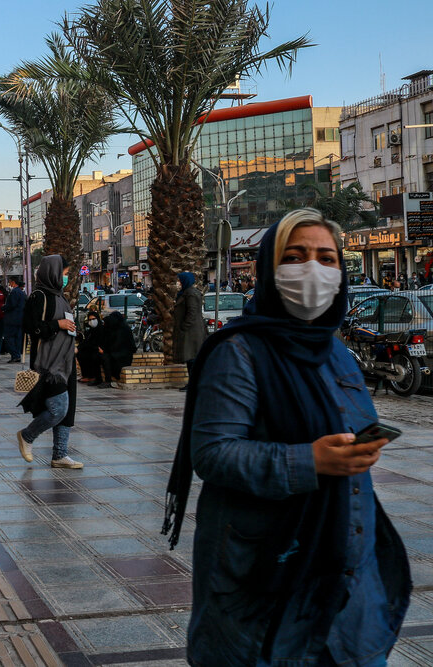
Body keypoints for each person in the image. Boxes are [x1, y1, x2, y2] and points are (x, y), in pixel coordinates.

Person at [163, 208, 411, 665]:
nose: (312, 269)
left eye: (326, 257)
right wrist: (310, 461)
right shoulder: (238, 352)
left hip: (345, 577)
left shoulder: (336, 352)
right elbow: (214, 454)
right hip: (265, 578)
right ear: (268, 270)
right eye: (294, 257)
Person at [17, 255, 82, 469]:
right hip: (48, 364)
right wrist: (58, 325)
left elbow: (66, 325)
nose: (66, 278)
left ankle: (60, 455)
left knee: (68, 408)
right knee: (58, 408)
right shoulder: (39, 296)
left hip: (66, 361)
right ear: (53, 272)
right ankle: (27, 436)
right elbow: (31, 327)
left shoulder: (60, 296)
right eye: (64, 274)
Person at [174, 271, 207, 391]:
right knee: (190, 358)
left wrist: (184, 326)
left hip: (192, 331)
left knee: (192, 357)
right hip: (191, 330)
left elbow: (192, 312)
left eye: (179, 280)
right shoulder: (187, 292)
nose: (178, 283)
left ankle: (193, 383)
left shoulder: (190, 294)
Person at [94, 310, 136, 387]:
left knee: (105, 358)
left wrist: (105, 351)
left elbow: (119, 345)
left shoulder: (123, 330)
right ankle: (98, 379)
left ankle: (108, 381)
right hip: (114, 353)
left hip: (122, 356)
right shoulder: (111, 328)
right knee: (96, 356)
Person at [2, 276, 26, 363]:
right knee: (17, 338)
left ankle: (15, 355)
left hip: (12, 319)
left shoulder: (14, 292)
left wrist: (3, 308)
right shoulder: (22, 293)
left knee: (9, 338)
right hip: (19, 319)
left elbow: (12, 305)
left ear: (12, 282)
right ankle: (17, 355)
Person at [76, 311, 104, 384]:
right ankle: (86, 376)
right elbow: (86, 342)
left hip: (98, 350)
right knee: (80, 354)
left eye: (93, 319)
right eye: (90, 320)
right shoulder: (90, 331)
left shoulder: (102, 329)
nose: (92, 321)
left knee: (92, 356)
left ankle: (92, 376)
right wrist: (78, 348)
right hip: (91, 348)